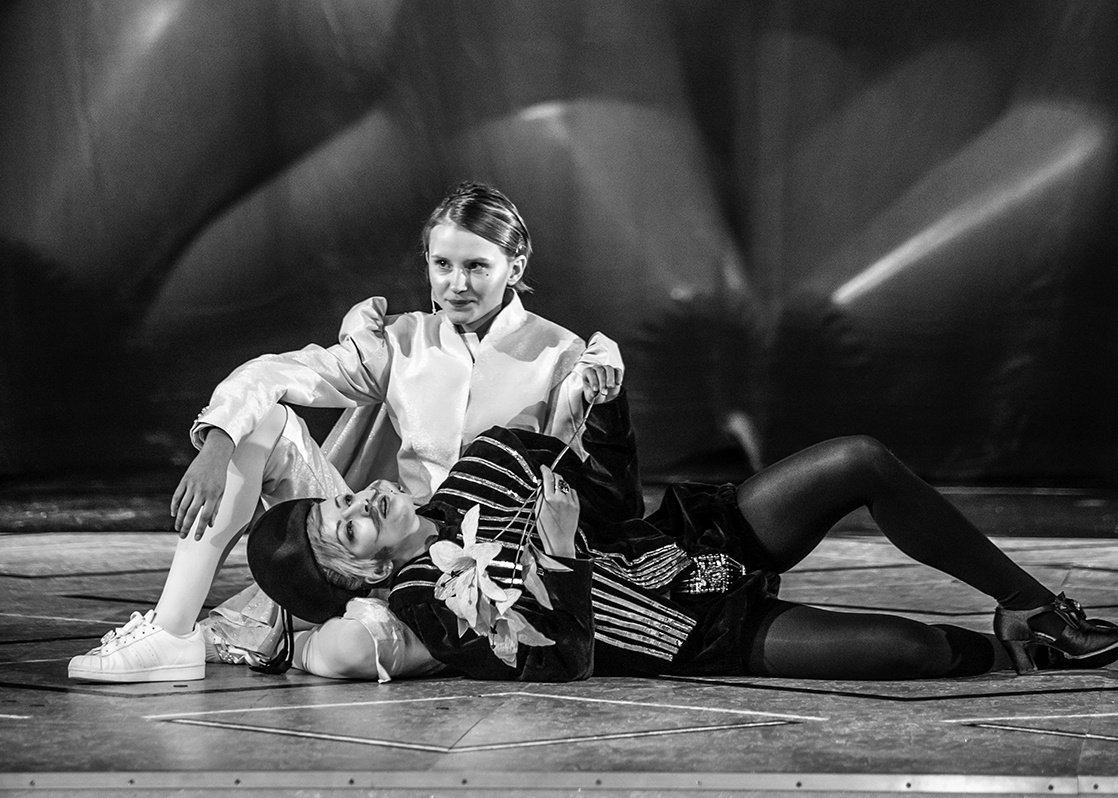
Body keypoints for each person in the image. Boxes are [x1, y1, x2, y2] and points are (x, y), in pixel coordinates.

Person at [68, 181, 624, 682]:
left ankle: (297, 635)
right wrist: (218, 440)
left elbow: (577, 492)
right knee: (262, 421)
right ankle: (171, 631)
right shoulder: (402, 341)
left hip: (475, 572)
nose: (456, 284)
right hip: (373, 533)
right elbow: (277, 372)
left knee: (350, 648)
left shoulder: (562, 354)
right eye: (442, 264)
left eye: (477, 266)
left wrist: (596, 398)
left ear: (515, 267)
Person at [245, 393, 1118, 683]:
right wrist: (556, 554)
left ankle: (1034, 608)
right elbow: (566, 662)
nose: (365, 495)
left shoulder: (486, 458)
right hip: (699, 633)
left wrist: (610, 411)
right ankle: (1020, 653)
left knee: (858, 458)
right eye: (348, 523)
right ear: (355, 576)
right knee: (921, 653)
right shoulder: (427, 605)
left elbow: (615, 501)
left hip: (695, 544)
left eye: (347, 496)